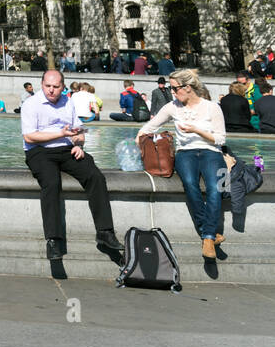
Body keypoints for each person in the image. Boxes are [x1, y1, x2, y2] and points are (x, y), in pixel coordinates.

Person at [21, 70, 120, 261]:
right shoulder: (30, 104)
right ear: (42, 85)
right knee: (51, 183)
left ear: (63, 86)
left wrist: (79, 144)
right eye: (48, 86)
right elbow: (29, 136)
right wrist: (61, 134)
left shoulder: (68, 102)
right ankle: (53, 240)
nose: (51, 90)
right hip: (39, 150)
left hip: (67, 149)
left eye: (56, 87)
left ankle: (105, 232)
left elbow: (79, 131)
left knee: (95, 176)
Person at [137, 69, 227, 259]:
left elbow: (220, 140)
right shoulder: (172, 107)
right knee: (189, 183)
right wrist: (139, 139)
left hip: (212, 152)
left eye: (174, 88)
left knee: (214, 187)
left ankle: (208, 236)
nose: (172, 92)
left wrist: (196, 130)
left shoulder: (212, 107)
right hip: (186, 153)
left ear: (187, 88)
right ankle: (209, 234)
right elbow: (150, 127)